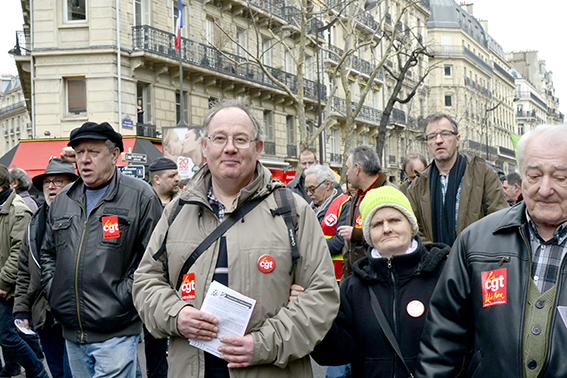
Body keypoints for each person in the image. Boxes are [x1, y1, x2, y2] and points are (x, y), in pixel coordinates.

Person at [132, 97, 339, 378]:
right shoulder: (176, 212)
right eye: (219, 138)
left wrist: (263, 344)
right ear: (204, 147)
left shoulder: (293, 211)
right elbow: (146, 282)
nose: (229, 148)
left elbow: (322, 296)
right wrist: (176, 315)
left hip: (269, 370)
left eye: (241, 139)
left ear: (257, 148)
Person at [415, 124, 567, 378]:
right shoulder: (475, 241)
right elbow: (442, 338)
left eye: (561, 177)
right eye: (533, 176)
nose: (545, 189)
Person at [41, 121, 163, 378]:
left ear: (115, 155)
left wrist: (123, 297)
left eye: (93, 152)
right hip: (72, 332)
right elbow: (48, 252)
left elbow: (154, 259)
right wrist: (55, 289)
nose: (84, 160)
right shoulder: (63, 200)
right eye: (79, 152)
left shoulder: (141, 196)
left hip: (116, 330)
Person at [309, 186, 450, 377]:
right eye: (377, 224)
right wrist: (314, 314)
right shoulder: (353, 288)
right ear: (368, 235)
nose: (387, 229)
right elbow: (336, 353)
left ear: (411, 225)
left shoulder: (443, 275)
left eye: (395, 220)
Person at [13, 158, 78, 378]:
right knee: (58, 372)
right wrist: (22, 309)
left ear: (72, 184)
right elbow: (24, 271)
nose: (50, 187)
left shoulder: (84, 217)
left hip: (75, 313)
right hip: (45, 315)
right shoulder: (35, 222)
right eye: (46, 182)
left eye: (57, 181)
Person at [407, 113, 507, 245]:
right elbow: (412, 230)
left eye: (445, 134)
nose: (438, 140)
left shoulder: (484, 174)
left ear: (458, 139)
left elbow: (499, 221)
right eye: (432, 137)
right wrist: (437, 255)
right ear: (427, 144)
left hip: (474, 260)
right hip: (434, 262)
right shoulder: (417, 186)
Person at [0, 165, 48, 378]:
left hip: (8, 285)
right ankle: (17, 367)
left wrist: (2, 282)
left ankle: (37, 370)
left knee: (7, 335)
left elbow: (20, 251)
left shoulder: (19, 209)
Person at [337, 145, 397, 279]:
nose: (346, 173)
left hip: (378, 277)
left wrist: (357, 234)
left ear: (357, 169)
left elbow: (395, 235)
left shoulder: (388, 193)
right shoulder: (358, 194)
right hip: (356, 277)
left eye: (348, 168)